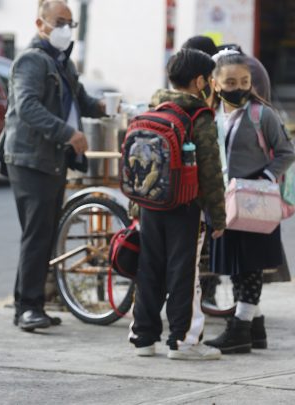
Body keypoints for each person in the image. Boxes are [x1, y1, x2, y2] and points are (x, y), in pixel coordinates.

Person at [2, 0, 105, 332]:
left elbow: (80, 100)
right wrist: (68, 133)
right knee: (37, 234)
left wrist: (104, 107)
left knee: (43, 233)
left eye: (69, 24)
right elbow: (27, 106)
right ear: (40, 23)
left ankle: (30, 304)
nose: (65, 30)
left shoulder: (61, 62)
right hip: (31, 158)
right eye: (59, 22)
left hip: (51, 158)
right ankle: (27, 307)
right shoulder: (32, 61)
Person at [128, 49, 226, 360]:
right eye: (210, 80)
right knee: (184, 272)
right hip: (185, 206)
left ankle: (143, 337)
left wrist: (136, 206)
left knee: (149, 269)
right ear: (199, 81)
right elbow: (210, 172)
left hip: (150, 203)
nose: (212, 85)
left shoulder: (154, 106)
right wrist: (219, 217)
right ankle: (183, 341)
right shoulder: (200, 115)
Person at [203, 51, 295, 354]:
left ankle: (240, 329)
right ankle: (256, 329)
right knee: (235, 266)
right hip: (225, 204)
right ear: (215, 84)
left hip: (254, 202)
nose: (238, 87)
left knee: (251, 265)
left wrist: (264, 179)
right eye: (230, 81)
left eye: (244, 81)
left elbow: (286, 153)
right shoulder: (210, 115)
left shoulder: (262, 115)